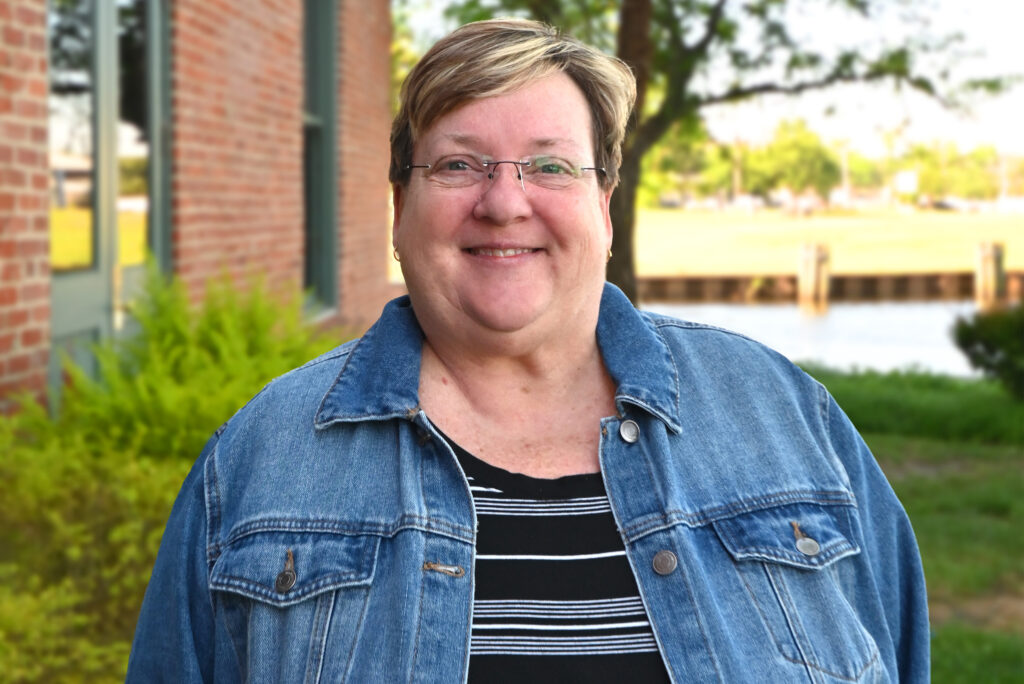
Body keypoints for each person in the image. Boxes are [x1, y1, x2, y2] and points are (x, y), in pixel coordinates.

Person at [127, 18, 929, 683]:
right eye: (459, 165)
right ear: (401, 206)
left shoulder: (782, 416)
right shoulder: (261, 461)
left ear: (603, 206)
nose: (504, 201)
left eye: (549, 165)